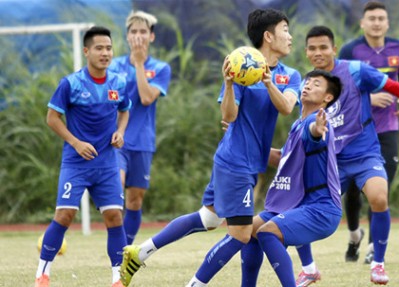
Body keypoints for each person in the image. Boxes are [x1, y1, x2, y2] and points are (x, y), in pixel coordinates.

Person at [119, 8, 301, 287]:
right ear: (268, 36)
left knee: (209, 217)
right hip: (235, 161)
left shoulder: (290, 75)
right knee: (241, 234)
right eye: (285, 30)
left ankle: (140, 252)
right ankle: (194, 285)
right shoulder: (241, 68)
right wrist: (229, 84)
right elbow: (228, 116)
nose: (290, 37)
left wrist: (267, 80)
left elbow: (287, 107)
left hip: (248, 162)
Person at [293, 26, 399, 286]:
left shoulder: (356, 71)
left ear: (334, 49)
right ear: (306, 53)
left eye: (323, 47)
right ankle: (308, 268)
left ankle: (378, 264)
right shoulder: (306, 84)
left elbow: (393, 86)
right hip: (331, 160)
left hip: (364, 154)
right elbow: (302, 124)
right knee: (298, 206)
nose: (318, 52)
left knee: (379, 197)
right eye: (312, 48)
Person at [34, 26, 131, 287]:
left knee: (114, 217)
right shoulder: (71, 83)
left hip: (107, 163)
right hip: (76, 162)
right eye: (99, 48)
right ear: (86, 51)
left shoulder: (119, 82)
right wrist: (75, 143)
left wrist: (120, 132)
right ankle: (42, 274)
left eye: (109, 48)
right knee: (65, 215)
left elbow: (124, 111)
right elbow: (52, 118)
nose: (105, 53)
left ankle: (117, 279)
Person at [240, 69, 342, 287]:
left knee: (266, 232)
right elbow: (281, 158)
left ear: (327, 98)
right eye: (307, 82)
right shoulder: (298, 124)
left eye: (316, 84)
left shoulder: (316, 122)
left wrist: (317, 129)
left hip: (322, 209)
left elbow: (315, 133)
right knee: (249, 232)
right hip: (301, 205)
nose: (307, 85)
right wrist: (244, 139)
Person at [338, 1, 399, 264]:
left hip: (389, 129)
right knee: (353, 193)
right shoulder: (350, 50)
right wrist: (370, 99)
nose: (377, 22)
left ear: (387, 22)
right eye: (372, 18)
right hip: (356, 132)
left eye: (381, 18)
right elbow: (341, 90)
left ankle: (372, 248)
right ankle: (354, 235)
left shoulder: (398, 47)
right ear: (363, 23)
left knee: (380, 190)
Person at [108, 10, 172, 245]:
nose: (138, 36)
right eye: (133, 32)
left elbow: (146, 98)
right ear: (127, 37)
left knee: (134, 202)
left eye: (143, 32)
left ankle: (126, 250)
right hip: (117, 140)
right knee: (116, 192)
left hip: (143, 141)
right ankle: (117, 250)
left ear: (151, 37)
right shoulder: (113, 66)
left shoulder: (161, 68)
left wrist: (138, 64)